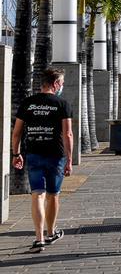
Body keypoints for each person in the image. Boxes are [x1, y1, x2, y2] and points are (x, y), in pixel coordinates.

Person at [12, 68, 74, 250]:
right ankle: (50, 232)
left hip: (34, 154)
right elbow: (68, 134)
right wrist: (69, 160)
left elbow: (16, 133)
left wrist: (16, 154)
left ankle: (39, 238)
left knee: (37, 194)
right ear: (55, 84)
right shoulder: (62, 104)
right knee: (53, 194)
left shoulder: (28, 104)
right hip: (56, 155)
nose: (62, 86)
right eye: (61, 83)